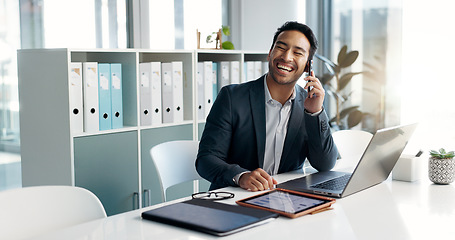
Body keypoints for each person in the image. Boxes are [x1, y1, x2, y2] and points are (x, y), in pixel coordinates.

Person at [196, 21, 338, 191]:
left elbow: (325, 164)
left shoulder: (309, 104)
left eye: (297, 53)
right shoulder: (232, 97)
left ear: (308, 65)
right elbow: (206, 159)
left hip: (285, 198)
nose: (286, 57)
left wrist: (315, 112)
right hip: (235, 198)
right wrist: (241, 176)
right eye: (281, 47)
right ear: (270, 54)